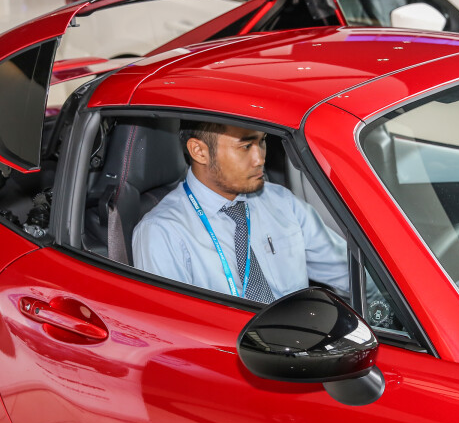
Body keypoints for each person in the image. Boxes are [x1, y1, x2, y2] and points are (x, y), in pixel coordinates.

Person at [132, 121, 350, 302]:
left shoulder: (282, 202)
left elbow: (348, 273)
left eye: (262, 141)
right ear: (199, 152)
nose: (260, 159)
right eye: (245, 146)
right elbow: (172, 330)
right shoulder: (161, 232)